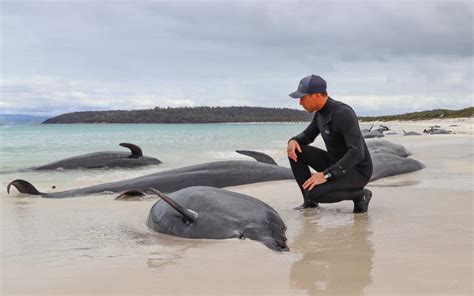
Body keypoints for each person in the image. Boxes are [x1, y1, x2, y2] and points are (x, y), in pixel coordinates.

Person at [287, 75, 373, 213]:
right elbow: (308, 136)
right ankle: (310, 202)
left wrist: (325, 175)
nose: (300, 103)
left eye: (303, 98)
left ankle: (360, 195)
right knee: (296, 151)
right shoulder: (320, 113)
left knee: (315, 192)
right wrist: (292, 141)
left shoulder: (343, 112)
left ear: (316, 95)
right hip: (336, 163)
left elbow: (357, 153)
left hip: (357, 171)